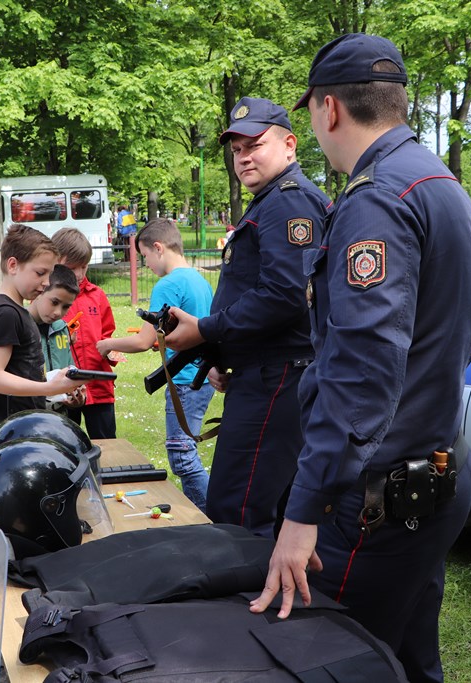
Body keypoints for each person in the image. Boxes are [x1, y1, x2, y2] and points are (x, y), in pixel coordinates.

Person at [250, 34, 471, 683]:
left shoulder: (377, 199)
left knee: (328, 659)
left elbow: (361, 376)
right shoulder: (437, 181)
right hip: (435, 469)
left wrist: (303, 511)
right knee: (409, 659)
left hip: (379, 495)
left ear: (327, 109)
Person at [163, 96, 330, 538]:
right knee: (261, 508)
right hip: (265, 376)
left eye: (255, 145)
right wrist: (224, 354)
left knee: (238, 512)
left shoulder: (289, 203)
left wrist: (205, 330)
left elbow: (285, 295)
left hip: (278, 379)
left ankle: (247, 586)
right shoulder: (271, 201)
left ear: (289, 145)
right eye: (237, 150)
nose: (243, 157)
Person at [96, 217, 215, 511]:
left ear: (159, 248)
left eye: (145, 255)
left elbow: (142, 341)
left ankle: (213, 515)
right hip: (202, 378)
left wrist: (107, 344)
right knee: (185, 454)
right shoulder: (200, 281)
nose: (145, 263)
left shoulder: (168, 284)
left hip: (185, 381)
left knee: (182, 458)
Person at [0, 224, 87, 437]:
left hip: (24, 426)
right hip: (10, 432)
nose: (46, 282)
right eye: (40, 273)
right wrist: (50, 388)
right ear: (13, 265)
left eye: (49, 275)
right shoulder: (6, 313)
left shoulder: (17, 311)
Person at [51, 227, 118, 439]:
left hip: (99, 388)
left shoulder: (97, 296)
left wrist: (112, 352)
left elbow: (107, 334)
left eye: (84, 266)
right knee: (65, 445)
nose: (79, 274)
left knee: (106, 445)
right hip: (64, 391)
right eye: (73, 268)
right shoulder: (47, 299)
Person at [27, 264, 86, 414]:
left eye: (66, 307)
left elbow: (69, 368)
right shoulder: (19, 326)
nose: (58, 312)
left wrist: (75, 394)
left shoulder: (62, 328)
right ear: (40, 291)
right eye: (54, 302)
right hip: (27, 415)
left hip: (58, 418)